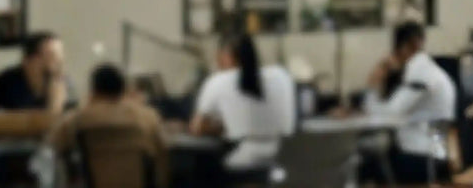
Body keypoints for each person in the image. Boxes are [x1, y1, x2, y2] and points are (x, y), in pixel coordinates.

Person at [361, 21, 457, 183]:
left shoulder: (419, 73)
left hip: (419, 156)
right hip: (435, 153)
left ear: (404, 48)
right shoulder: (432, 71)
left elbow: (387, 115)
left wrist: (373, 85)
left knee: (365, 164)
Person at [190, 33, 296, 180]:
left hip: (240, 164)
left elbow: (197, 128)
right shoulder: (280, 76)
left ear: (224, 56)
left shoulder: (218, 81)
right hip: (280, 159)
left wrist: (221, 128)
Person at [46, 64, 170, 188]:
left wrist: (85, 105)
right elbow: (162, 155)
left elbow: (53, 141)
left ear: (94, 90)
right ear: (123, 89)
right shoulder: (147, 117)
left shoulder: (80, 118)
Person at [0, 31, 71, 113]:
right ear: (29, 60)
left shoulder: (63, 82)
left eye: (60, 55)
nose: (59, 61)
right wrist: (53, 109)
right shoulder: (5, 83)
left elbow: (72, 120)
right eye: (52, 55)